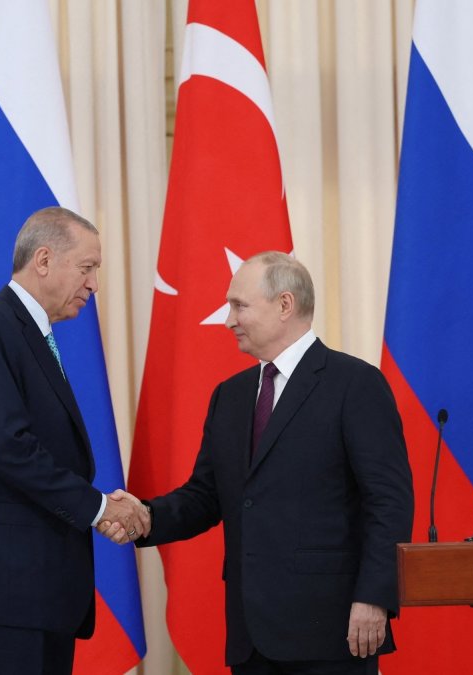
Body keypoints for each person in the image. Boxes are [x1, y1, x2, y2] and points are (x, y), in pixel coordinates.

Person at [120, 251, 413, 674]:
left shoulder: (355, 384)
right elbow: (206, 496)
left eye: (239, 306)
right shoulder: (230, 395)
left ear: (285, 304)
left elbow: (388, 501)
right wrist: (145, 517)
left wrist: (374, 597)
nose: (229, 320)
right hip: (251, 636)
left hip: (331, 630)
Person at [0, 206, 150, 675]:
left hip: (37, 593)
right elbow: (8, 447)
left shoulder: (30, 333)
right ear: (44, 260)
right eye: (87, 268)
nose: (94, 284)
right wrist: (99, 508)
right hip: (1, 594)